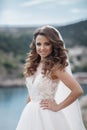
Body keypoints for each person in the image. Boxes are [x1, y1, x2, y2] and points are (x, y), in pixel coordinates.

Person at [16, 25, 86, 130]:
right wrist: (28, 109)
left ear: (53, 45)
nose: (42, 48)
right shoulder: (34, 64)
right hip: (30, 114)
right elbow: (32, 92)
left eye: (47, 44)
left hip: (47, 116)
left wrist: (58, 107)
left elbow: (78, 90)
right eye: (38, 44)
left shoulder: (55, 67)